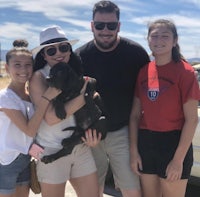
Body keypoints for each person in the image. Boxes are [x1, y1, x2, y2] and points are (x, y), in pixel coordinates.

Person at [75, 1, 150, 196]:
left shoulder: (136, 54)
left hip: (123, 131)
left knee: (132, 189)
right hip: (89, 133)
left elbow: (148, 93)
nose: (105, 30)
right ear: (92, 26)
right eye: (100, 25)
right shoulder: (80, 57)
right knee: (92, 190)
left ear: (119, 26)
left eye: (111, 25)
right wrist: (83, 131)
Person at [129, 19, 200, 197]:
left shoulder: (185, 72)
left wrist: (178, 160)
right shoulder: (144, 71)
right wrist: (134, 152)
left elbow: (192, 119)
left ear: (175, 41)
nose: (159, 40)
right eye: (154, 36)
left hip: (173, 143)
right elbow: (135, 116)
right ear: (148, 39)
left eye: (165, 36)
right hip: (146, 142)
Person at [29, 25, 101, 197]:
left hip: (80, 146)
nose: (59, 53)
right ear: (44, 55)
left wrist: (92, 137)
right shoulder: (38, 77)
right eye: (51, 51)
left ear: (70, 51)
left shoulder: (74, 73)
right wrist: (86, 97)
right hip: (51, 149)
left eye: (63, 47)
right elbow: (52, 118)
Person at [0, 40, 60, 197]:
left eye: (28, 65)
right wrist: (46, 99)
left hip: (25, 160)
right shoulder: (5, 98)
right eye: (17, 65)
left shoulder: (29, 97)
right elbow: (29, 129)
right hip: (6, 162)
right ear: (7, 68)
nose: (23, 69)